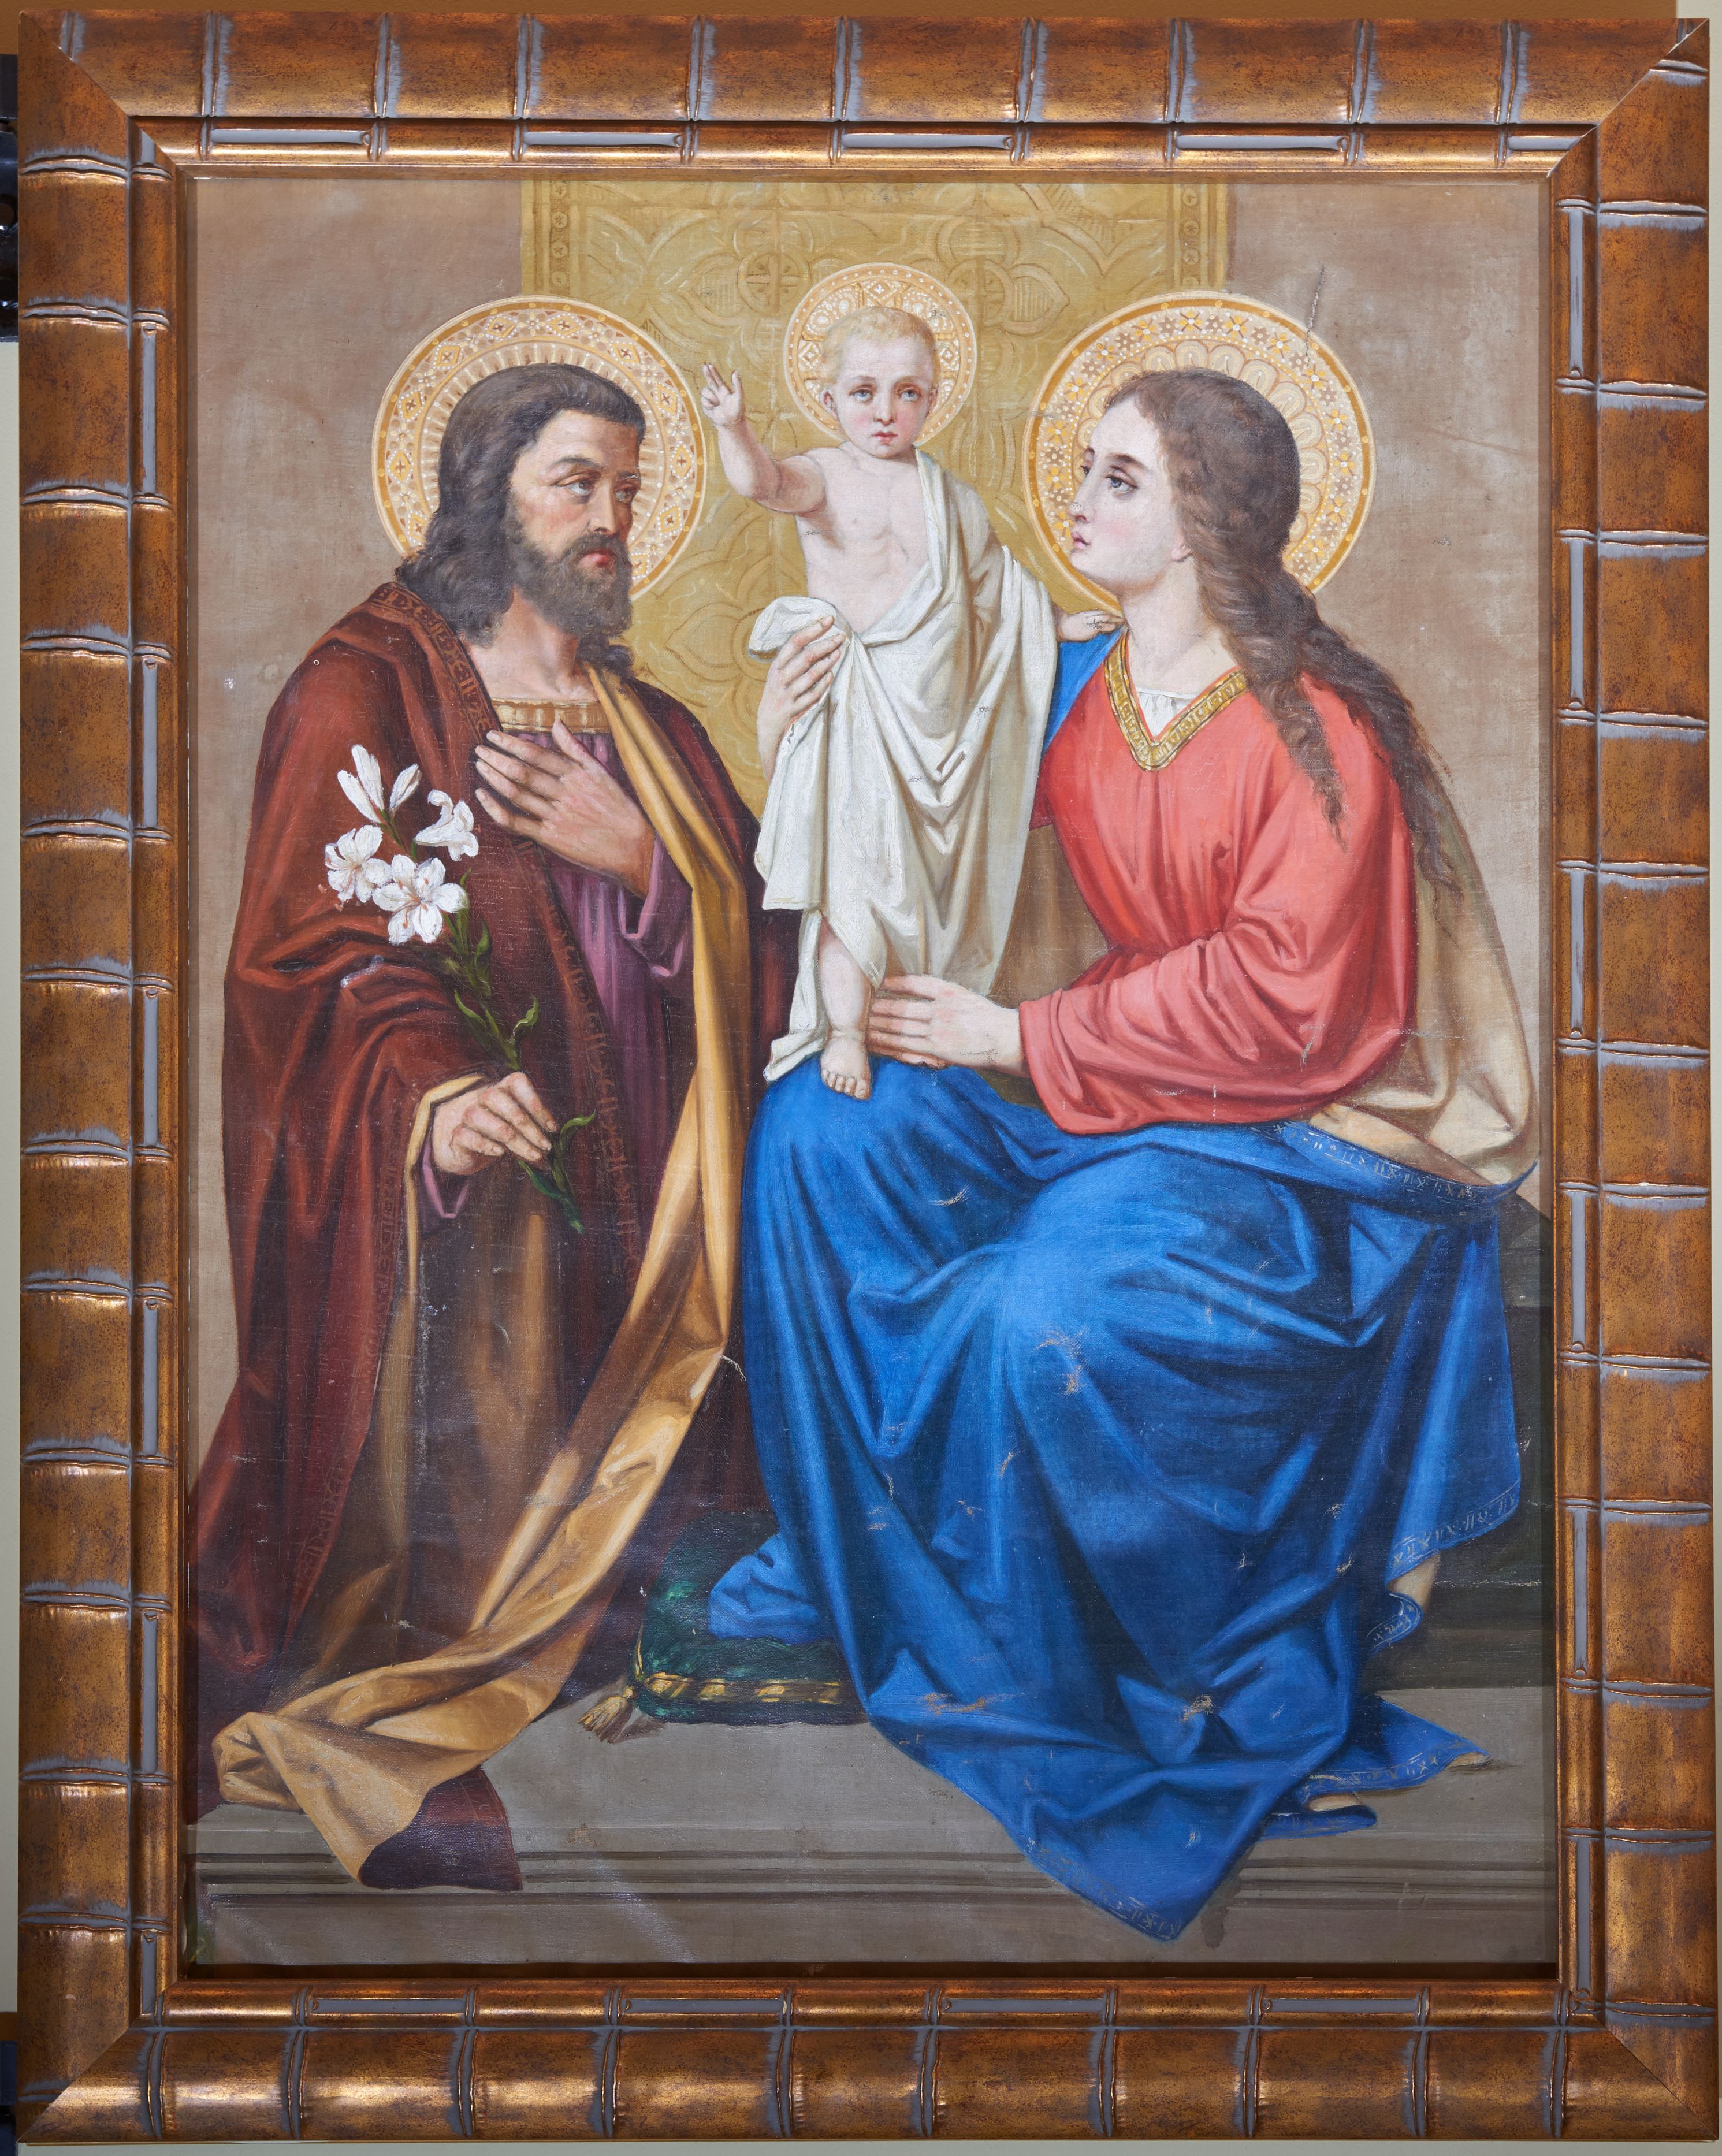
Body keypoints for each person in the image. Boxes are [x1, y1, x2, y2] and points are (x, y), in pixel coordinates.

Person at [709, 367, 1538, 1941]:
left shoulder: (1318, 729)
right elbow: (924, 793)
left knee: (1038, 1310)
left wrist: (1024, 1038)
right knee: (824, 1128)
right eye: (1086, 468)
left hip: (1282, 1144)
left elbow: (1293, 1002)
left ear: (1208, 519)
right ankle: (858, 1544)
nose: (1079, 500)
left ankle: (1081, 1659)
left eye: (1121, 478)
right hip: (1105, 1080)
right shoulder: (1074, 678)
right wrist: (801, 725)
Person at [194, 363, 792, 1889]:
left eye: (629, 490)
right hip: (482, 1201)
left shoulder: (653, 729)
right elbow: (309, 961)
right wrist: (436, 1089)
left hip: (662, 1214)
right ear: (486, 492)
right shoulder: (367, 688)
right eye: (576, 483)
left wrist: (650, 862)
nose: (611, 520)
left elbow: (772, 964)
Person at [700, 308, 1113, 1101]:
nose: (885, 411)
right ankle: (846, 1030)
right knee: (850, 879)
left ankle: (914, 1014)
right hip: (854, 710)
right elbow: (762, 484)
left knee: (919, 886)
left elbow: (995, 588)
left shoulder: (951, 498)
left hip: (935, 721)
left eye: (907, 393)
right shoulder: (824, 476)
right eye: (864, 392)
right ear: (829, 400)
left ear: (932, 401)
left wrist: (1056, 625)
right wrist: (733, 428)